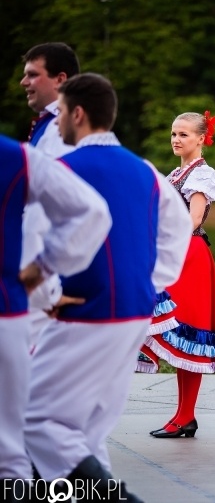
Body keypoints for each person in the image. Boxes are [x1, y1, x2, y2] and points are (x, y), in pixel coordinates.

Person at [23, 73, 192, 499]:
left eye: (60, 112)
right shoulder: (147, 172)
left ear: (77, 114)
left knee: (35, 417)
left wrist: (46, 297)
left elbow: (34, 239)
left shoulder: (60, 170)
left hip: (84, 310)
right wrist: (147, 283)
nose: (57, 121)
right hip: (135, 310)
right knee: (90, 430)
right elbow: (177, 235)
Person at [0, 135, 110, 498]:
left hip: (13, 309)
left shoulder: (24, 156)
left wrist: (43, 276)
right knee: (12, 443)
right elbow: (91, 213)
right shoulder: (19, 156)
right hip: (10, 309)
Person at [139, 111, 215, 439]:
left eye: (183, 134)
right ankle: (182, 416)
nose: (176, 139)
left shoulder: (203, 175)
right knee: (177, 333)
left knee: (187, 332)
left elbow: (193, 219)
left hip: (188, 254)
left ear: (200, 139)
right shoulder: (175, 175)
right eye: (173, 134)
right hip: (173, 253)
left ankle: (186, 415)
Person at [19, 42, 82, 347]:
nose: (24, 82)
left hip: (44, 280)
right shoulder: (50, 125)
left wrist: (48, 288)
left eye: (32, 75)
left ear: (60, 79)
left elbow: (50, 210)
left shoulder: (62, 129)